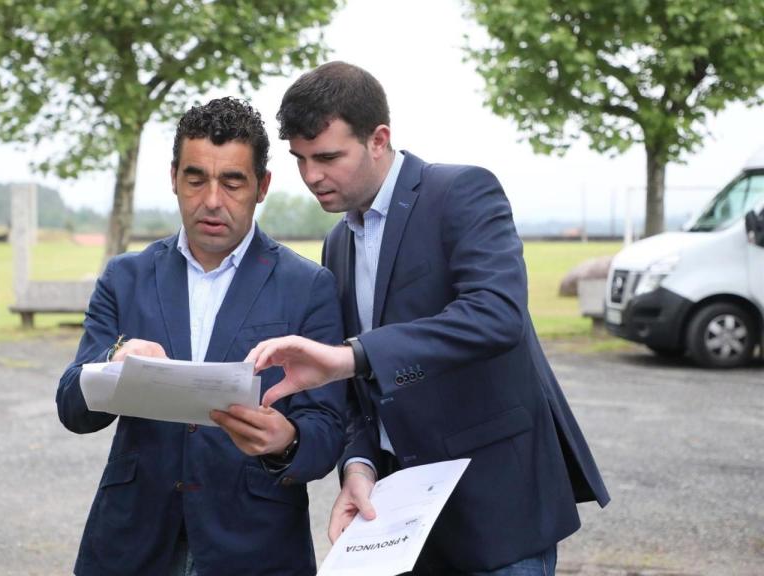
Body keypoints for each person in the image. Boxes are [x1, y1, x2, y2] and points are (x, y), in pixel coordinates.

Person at [248, 62, 611, 575]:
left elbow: (495, 314)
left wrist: (353, 355)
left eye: (328, 157)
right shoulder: (338, 243)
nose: (311, 176)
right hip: (401, 518)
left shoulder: (460, 191)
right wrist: (359, 465)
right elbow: (361, 388)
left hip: (496, 508)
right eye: (300, 160)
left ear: (379, 139)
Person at [56, 97, 345, 576]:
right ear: (174, 178)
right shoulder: (125, 277)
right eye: (196, 179)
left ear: (262, 186)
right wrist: (113, 359)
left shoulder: (308, 287)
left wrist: (288, 440)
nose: (212, 200)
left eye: (232, 182)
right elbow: (72, 407)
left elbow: (329, 427)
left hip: (255, 547)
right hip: (131, 541)